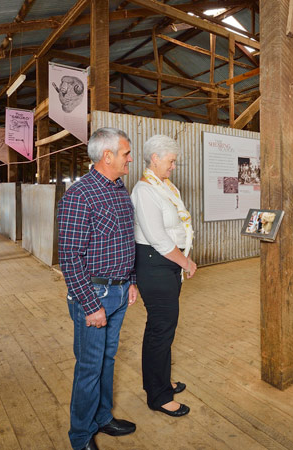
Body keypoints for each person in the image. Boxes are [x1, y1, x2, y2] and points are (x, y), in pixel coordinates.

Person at [57, 127, 138, 450]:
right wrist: (90, 306)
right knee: (89, 367)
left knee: (107, 359)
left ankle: (102, 417)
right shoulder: (80, 195)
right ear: (108, 156)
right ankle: (80, 436)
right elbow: (70, 257)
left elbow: (124, 241)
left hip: (119, 291)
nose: (130, 159)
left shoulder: (119, 189)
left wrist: (130, 281)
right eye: (126, 153)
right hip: (94, 295)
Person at [131, 135, 196, 418]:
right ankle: (158, 396)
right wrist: (186, 262)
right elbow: (157, 237)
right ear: (155, 158)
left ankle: (160, 380)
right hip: (155, 264)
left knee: (163, 328)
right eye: (170, 161)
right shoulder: (145, 191)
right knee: (161, 330)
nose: (173, 166)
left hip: (165, 265)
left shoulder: (164, 187)